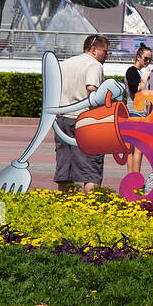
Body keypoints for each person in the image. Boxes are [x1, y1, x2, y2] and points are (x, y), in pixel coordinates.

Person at [55, 34, 109, 192]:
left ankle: (62, 207)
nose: (106, 55)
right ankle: (91, 210)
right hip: (85, 122)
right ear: (94, 50)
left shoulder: (65, 64)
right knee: (91, 171)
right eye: (105, 51)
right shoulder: (94, 65)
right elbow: (92, 90)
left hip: (63, 121)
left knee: (64, 170)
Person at [124, 44, 153, 189]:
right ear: (138, 57)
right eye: (146, 59)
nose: (148, 62)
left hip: (139, 113)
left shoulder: (137, 72)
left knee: (134, 149)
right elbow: (135, 91)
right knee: (137, 149)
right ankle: (135, 179)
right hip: (135, 113)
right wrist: (146, 78)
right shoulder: (132, 71)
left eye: (150, 60)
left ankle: (132, 178)